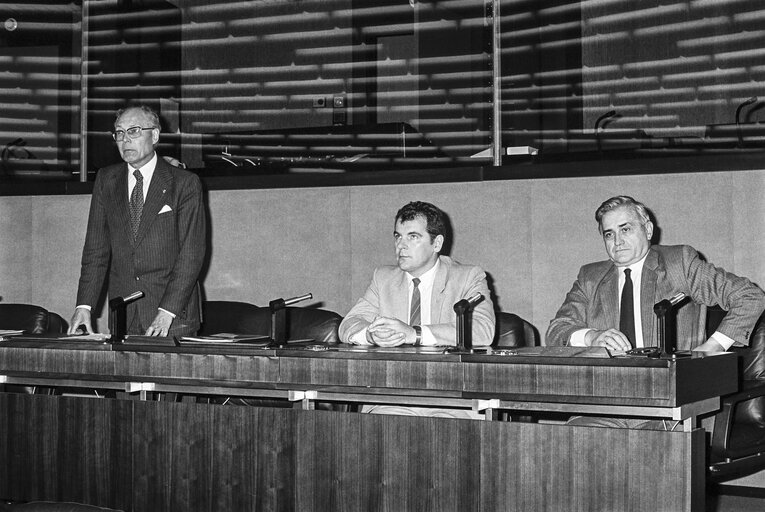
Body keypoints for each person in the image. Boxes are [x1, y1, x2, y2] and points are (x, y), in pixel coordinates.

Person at [547, 195, 765, 354]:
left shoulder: (679, 263)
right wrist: (591, 337)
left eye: (626, 229)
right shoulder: (590, 278)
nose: (617, 241)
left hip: (672, 403)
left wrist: (713, 346)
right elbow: (556, 331)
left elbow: (750, 297)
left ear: (648, 230)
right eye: (609, 234)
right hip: (608, 397)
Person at [68, 104, 206, 338]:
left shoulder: (184, 183)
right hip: (124, 313)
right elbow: (96, 251)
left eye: (133, 131)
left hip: (172, 316)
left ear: (155, 135)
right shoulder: (106, 180)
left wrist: (167, 311)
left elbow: (191, 254)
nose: (125, 140)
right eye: (119, 133)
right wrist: (84, 306)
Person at [340, 201, 495, 348]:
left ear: (437, 244)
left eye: (413, 237)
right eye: (398, 236)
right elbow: (348, 324)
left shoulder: (468, 277)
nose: (401, 245)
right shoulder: (383, 278)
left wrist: (415, 334)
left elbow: (483, 331)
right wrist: (370, 335)